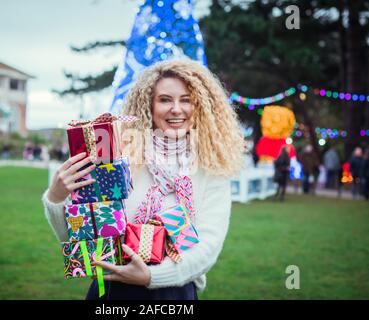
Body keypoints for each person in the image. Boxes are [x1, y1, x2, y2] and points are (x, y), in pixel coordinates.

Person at [41, 59, 245, 300]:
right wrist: (56, 197)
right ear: (149, 104)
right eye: (165, 99)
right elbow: (82, 237)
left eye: (186, 100)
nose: (176, 109)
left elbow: (207, 248)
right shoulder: (118, 158)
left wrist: (151, 276)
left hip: (173, 291)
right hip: (112, 289)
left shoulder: (211, 170)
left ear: (200, 105)